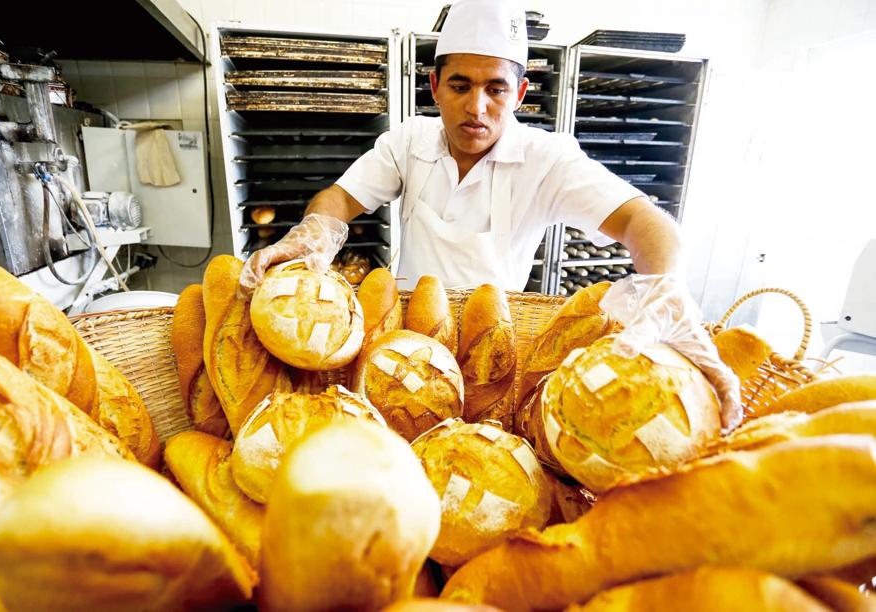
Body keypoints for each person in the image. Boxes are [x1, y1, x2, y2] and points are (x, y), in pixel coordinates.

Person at [238, 0, 742, 430]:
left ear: (520, 94)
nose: (476, 107)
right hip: (401, 343)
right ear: (434, 86)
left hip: (495, 354)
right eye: (460, 86)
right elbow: (340, 198)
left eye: (495, 89)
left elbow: (645, 223)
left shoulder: (549, 159)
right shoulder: (409, 142)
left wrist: (665, 293)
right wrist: (314, 234)